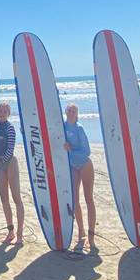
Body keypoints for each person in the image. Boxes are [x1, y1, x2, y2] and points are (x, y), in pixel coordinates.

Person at [63, 103, 96, 252]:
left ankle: (91, 236)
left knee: (88, 198)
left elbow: (87, 151)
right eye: (69, 110)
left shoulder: (79, 128)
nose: (71, 112)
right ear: (65, 112)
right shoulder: (62, 127)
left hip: (84, 164)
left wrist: (71, 151)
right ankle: (81, 231)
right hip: (72, 166)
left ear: (77, 113)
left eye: (73, 110)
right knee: (74, 198)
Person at [0, 102, 24, 245]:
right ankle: (10, 232)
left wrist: (0, 159)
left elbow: (10, 148)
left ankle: (20, 235)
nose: (2, 112)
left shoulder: (10, 128)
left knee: (16, 198)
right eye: (0, 110)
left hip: (10, 163)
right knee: (4, 199)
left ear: (8, 113)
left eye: (5, 110)